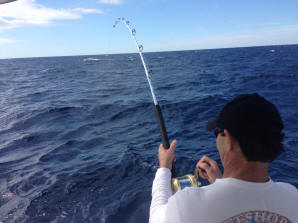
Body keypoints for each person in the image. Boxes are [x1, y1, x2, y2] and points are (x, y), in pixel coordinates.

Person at [149, 93, 298, 223]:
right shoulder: (292, 197)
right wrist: (219, 183)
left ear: (229, 139)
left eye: (217, 133)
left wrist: (164, 167)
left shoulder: (189, 205)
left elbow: (155, 217)